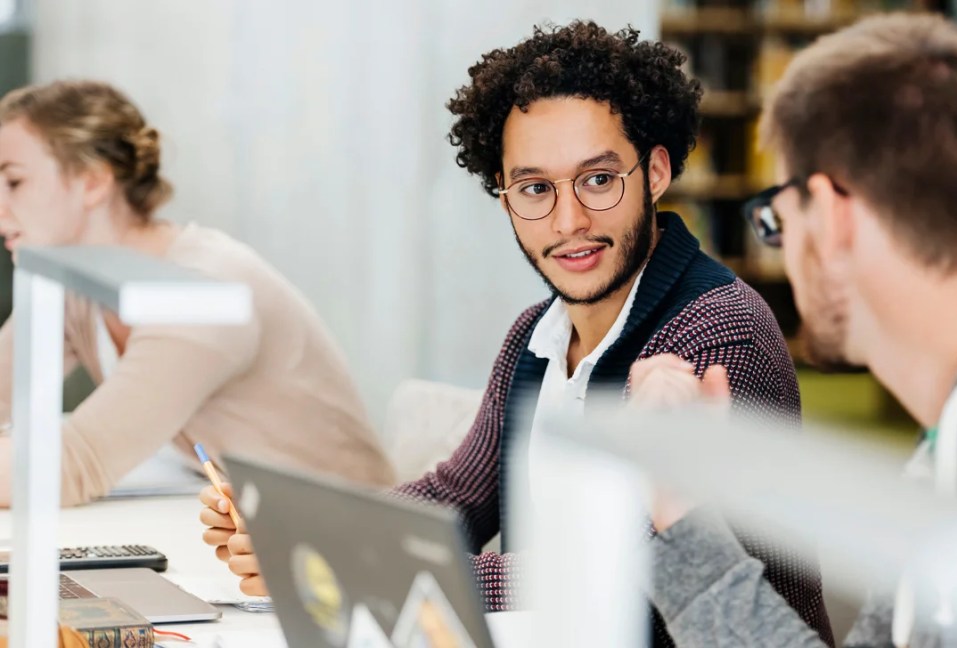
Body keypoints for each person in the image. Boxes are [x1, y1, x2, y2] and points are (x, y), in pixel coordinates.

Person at [199, 21, 835, 645]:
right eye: (534, 188)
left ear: (656, 172)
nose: (569, 220)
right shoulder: (536, 335)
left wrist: (358, 561)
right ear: (505, 199)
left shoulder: (715, 336)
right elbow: (456, 497)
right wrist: (302, 533)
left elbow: (626, 574)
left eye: (598, 179)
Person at [632, 12, 957, 647]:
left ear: (826, 215)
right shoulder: (947, 458)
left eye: (776, 220)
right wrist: (686, 515)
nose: (784, 248)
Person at [0, 80, 395, 506]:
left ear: (94, 182)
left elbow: (71, 467)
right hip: (229, 516)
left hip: (335, 537)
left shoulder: (204, 291)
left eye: (15, 182)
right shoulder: (76, 280)